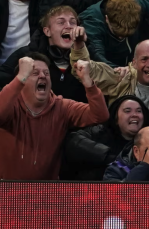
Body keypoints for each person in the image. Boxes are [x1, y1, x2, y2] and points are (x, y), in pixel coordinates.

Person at [0, 52, 109, 180]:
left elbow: (100, 115)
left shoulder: (62, 107)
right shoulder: (11, 105)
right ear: (22, 80)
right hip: (7, 191)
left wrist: (89, 84)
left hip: (48, 192)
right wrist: (19, 78)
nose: (43, 76)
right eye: (35, 73)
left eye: (47, 73)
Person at [0, 6, 88, 102]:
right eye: (61, 22)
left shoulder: (88, 58)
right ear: (47, 31)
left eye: (72, 22)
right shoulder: (25, 55)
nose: (69, 26)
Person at [62, 95, 149, 180]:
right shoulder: (100, 132)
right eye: (127, 111)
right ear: (116, 118)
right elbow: (73, 141)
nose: (134, 114)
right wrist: (109, 157)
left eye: (139, 111)